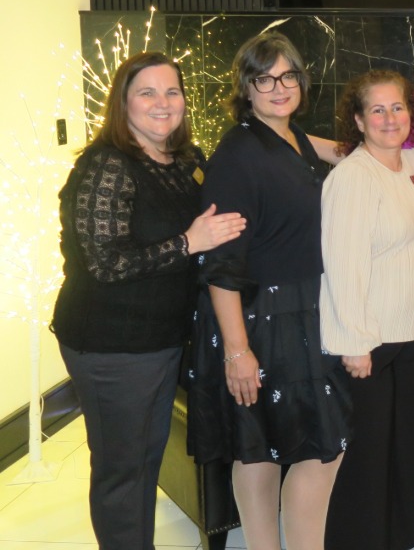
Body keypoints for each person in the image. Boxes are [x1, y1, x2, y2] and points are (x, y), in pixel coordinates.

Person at [51, 52, 246, 550]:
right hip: (110, 343)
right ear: (123, 103)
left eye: (172, 91)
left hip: (161, 339)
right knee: (124, 471)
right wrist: (188, 242)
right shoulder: (107, 165)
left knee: (145, 461)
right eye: (147, 92)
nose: (163, 103)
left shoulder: (185, 161)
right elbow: (105, 262)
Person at [187, 32, 353, 550]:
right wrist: (238, 352)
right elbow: (220, 265)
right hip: (261, 319)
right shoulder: (238, 155)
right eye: (264, 79)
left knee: (257, 445)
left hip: (300, 309)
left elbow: (333, 149)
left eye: (288, 76)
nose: (279, 88)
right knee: (317, 450)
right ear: (246, 87)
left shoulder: (291, 135)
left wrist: (381, 143)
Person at [320, 70, 414, 550]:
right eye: (377, 109)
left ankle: (403, 534)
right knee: (368, 452)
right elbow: (342, 264)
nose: (389, 118)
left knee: (407, 443)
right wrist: (354, 341)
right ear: (358, 119)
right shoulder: (351, 177)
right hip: (371, 338)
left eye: (397, 107)